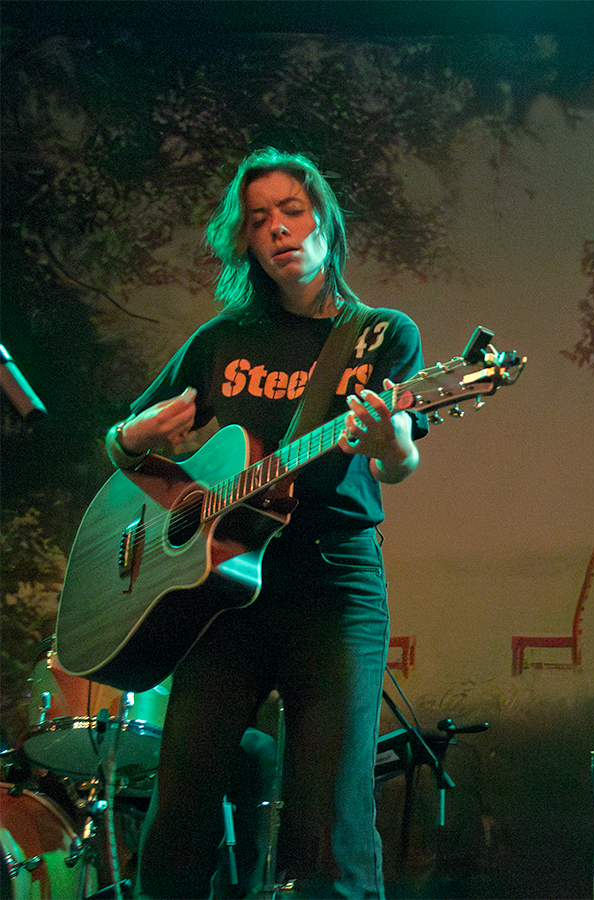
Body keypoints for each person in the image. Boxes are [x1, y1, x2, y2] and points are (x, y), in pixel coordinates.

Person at [106, 148, 427, 900]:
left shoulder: (381, 335)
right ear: (245, 241)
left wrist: (390, 441)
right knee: (181, 805)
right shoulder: (219, 341)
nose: (278, 228)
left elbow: (399, 465)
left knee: (329, 817)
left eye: (292, 210)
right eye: (258, 219)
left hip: (332, 584)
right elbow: (127, 446)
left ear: (325, 221)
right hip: (217, 591)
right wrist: (131, 436)